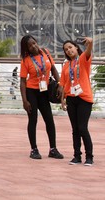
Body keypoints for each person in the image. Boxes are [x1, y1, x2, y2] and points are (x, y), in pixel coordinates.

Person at [19, 34, 64, 160]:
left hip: (44, 92)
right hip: (32, 92)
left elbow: (54, 69)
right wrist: (25, 100)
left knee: (49, 120)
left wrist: (60, 84)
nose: (34, 46)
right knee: (33, 120)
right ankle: (34, 149)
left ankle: (53, 149)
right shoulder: (26, 60)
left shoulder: (45, 52)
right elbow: (23, 81)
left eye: (34, 43)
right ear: (26, 48)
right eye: (30, 46)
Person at [60, 37, 94, 166]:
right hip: (71, 98)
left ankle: (89, 157)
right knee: (75, 129)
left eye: (70, 47)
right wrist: (63, 100)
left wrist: (90, 43)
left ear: (76, 47)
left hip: (84, 98)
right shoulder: (66, 65)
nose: (68, 50)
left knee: (82, 128)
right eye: (66, 49)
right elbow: (64, 84)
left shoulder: (83, 59)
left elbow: (89, 51)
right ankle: (77, 156)